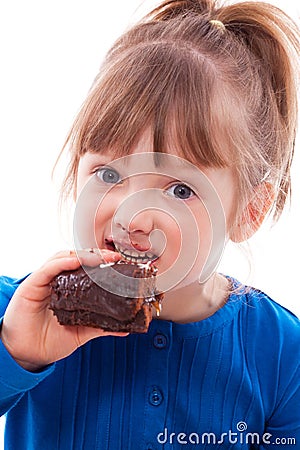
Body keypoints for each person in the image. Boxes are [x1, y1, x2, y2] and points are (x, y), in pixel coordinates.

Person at [0, 0, 299, 448]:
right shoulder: (21, 312)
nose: (132, 216)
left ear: (250, 210)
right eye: (108, 175)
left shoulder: (281, 354)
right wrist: (17, 351)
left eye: (180, 189)